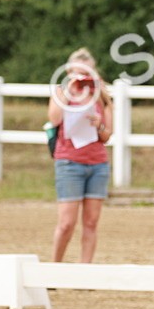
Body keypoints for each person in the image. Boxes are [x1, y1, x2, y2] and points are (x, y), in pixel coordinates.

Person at [46, 47, 113, 263]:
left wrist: (99, 124)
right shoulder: (61, 92)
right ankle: (55, 267)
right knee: (67, 223)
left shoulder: (101, 95)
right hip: (69, 162)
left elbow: (107, 135)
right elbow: (54, 119)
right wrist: (69, 91)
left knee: (91, 223)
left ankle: (84, 271)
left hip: (97, 163)